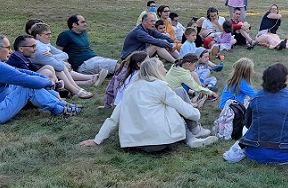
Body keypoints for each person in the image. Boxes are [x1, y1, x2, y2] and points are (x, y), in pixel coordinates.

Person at [79, 58, 217, 151]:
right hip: (160, 142)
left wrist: (97, 140)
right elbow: (186, 110)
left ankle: (192, 138)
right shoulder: (160, 86)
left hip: (136, 144)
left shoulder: (130, 89)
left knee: (171, 102)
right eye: (162, 68)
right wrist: (196, 115)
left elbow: (114, 118)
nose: (165, 71)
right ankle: (194, 133)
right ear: (155, 71)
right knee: (175, 105)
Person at [0, 35, 80, 125]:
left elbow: (22, 72)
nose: (10, 51)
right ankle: (59, 109)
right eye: (8, 48)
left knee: (27, 84)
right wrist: (50, 82)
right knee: (28, 87)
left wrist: (46, 80)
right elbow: (25, 79)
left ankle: (61, 104)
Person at [224, 63, 288, 164]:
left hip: (254, 153)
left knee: (246, 128)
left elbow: (248, 124)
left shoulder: (256, 97)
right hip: (286, 156)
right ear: (284, 80)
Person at [10, 33, 94, 99]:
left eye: (36, 46)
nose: (36, 49)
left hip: (29, 85)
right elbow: (29, 79)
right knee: (48, 70)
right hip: (20, 91)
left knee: (49, 67)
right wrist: (55, 83)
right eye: (33, 46)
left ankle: (75, 89)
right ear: (21, 49)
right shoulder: (18, 61)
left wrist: (53, 59)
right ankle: (72, 90)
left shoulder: (22, 57)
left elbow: (35, 69)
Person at [31, 22, 108, 88]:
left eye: (50, 34)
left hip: (49, 70)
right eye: (47, 34)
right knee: (60, 68)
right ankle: (85, 84)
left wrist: (53, 56)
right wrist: (60, 61)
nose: (50, 36)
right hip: (43, 73)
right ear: (38, 36)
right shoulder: (40, 49)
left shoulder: (45, 45)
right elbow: (60, 66)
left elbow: (65, 55)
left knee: (61, 67)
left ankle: (91, 79)